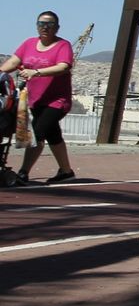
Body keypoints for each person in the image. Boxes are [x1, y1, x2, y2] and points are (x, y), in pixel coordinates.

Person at [1, 10, 77, 185]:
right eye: (41, 23)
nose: (45, 27)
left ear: (57, 27)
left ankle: (23, 173)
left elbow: (63, 67)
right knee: (53, 135)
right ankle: (66, 171)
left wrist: (36, 72)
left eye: (49, 24)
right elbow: (14, 61)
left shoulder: (63, 46)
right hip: (36, 100)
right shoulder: (28, 43)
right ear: (37, 26)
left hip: (57, 101)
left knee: (37, 133)